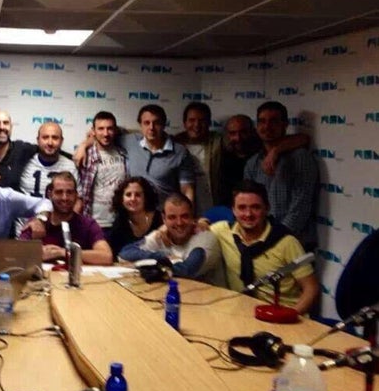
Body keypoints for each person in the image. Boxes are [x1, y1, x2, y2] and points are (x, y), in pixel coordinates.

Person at [210, 180, 319, 314]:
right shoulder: (222, 231)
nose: (248, 214)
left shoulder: (286, 242)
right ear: (233, 210)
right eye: (242, 208)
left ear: (267, 208)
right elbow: (188, 228)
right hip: (243, 313)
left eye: (255, 207)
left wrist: (290, 315)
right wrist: (202, 221)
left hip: (285, 314)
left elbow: (311, 288)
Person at [244, 101, 318, 250]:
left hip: (294, 244)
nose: (267, 127)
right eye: (262, 121)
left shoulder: (300, 158)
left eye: (273, 121)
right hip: (261, 243)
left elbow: (301, 206)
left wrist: (275, 239)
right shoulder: (253, 163)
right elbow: (248, 204)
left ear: (285, 124)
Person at [119, 193, 226, 287]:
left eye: (184, 216)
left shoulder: (205, 239)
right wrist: (159, 257)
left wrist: (149, 265)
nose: (179, 223)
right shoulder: (161, 235)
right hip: (170, 296)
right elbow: (125, 253)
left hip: (209, 302)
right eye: (172, 217)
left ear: (193, 217)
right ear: (164, 219)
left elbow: (186, 271)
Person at [20, 172, 113, 265]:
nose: (64, 198)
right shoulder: (37, 224)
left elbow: (106, 256)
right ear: (50, 194)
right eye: (59, 192)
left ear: (76, 195)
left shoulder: (87, 224)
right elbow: (17, 255)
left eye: (69, 192)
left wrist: (64, 252)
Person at [77, 111, 127, 238]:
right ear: (93, 131)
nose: (105, 133)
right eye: (101, 129)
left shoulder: (124, 153)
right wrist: (84, 145)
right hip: (94, 222)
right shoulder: (85, 155)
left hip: (119, 222)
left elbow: (139, 134)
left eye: (110, 129)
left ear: (115, 130)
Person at [172, 102, 223, 216]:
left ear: (209, 123)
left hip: (212, 208)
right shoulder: (174, 143)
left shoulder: (218, 141)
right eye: (192, 120)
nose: (197, 125)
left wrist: (273, 150)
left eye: (202, 120)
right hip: (182, 211)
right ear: (184, 123)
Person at [107, 177, 162, 259]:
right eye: (128, 195)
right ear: (122, 199)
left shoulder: (160, 219)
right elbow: (116, 255)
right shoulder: (120, 222)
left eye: (138, 195)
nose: (133, 199)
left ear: (146, 197)